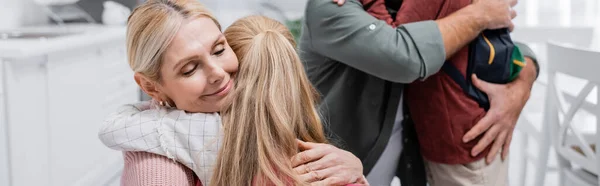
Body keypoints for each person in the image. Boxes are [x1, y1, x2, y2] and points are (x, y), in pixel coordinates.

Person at [98, 0, 366, 185]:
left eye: (219, 49)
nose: (217, 72)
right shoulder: (156, 159)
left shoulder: (301, 152)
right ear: (150, 87)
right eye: (190, 69)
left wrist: (354, 169)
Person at [300, 0, 540, 185]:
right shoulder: (331, 5)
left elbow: (500, 44)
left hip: (452, 149)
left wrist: (520, 84)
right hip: (336, 169)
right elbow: (404, 57)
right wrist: (481, 14)